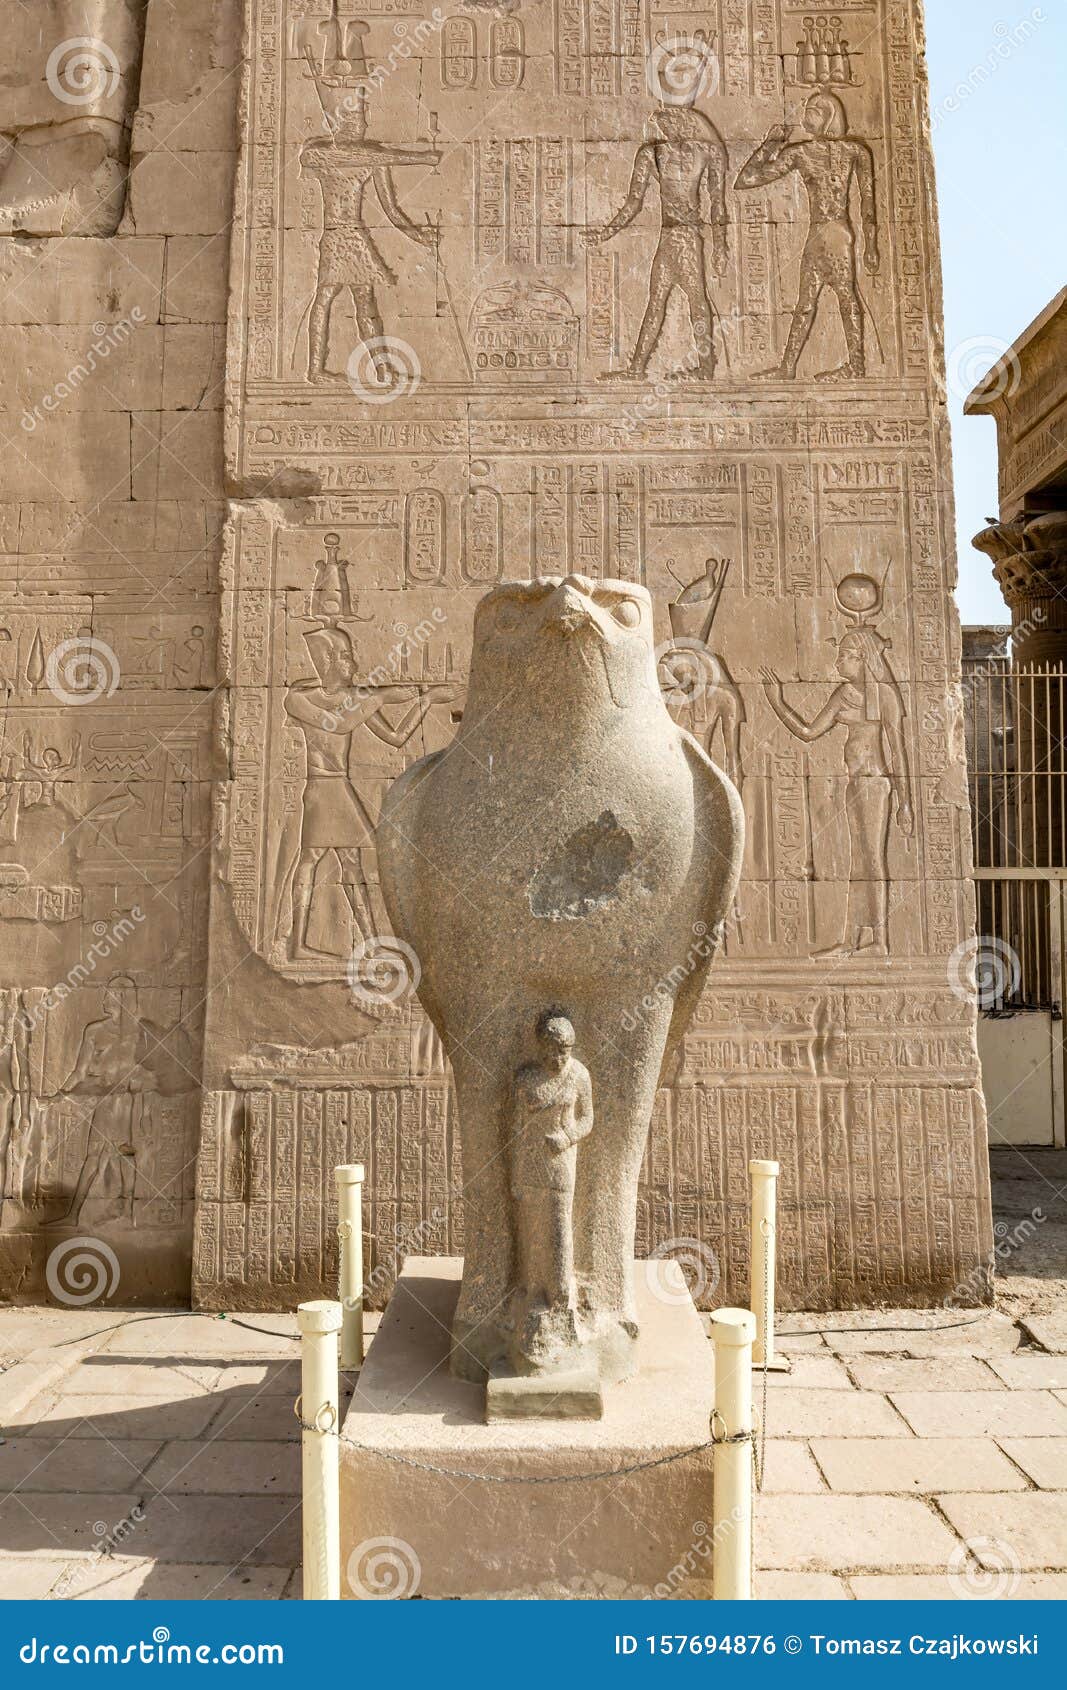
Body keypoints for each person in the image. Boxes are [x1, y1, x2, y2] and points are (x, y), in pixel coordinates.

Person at [761, 624, 912, 956]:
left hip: (875, 784)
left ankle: (880, 940)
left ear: (864, 659)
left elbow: (898, 751)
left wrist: (905, 802)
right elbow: (808, 731)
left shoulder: (884, 695)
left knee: (872, 860)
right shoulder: (844, 694)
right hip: (854, 784)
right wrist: (777, 701)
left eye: (845, 656)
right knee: (856, 862)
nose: (838, 663)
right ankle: (852, 939)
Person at [285, 625, 431, 958]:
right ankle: (298, 945)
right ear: (327, 661)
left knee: (346, 862)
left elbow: (396, 738)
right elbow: (338, 724)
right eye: (347, 656)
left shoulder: (355, 700)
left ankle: (367, 944)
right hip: (324, 789)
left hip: (338, 786)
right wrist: (377, 696)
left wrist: (425, 700)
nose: (354, 663)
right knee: (313, 859)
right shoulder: (299, 698)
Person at [734, 91, 878, 381]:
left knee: (845, 297)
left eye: (813, 111)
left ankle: (856, 365)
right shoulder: (801, 152)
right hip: (822, 234)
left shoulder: (852, 152)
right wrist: (771, 144)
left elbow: (868, 202)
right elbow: (745, 181)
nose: (805, 116)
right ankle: (788, 368)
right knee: (806, 303)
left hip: (835, 233)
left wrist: (871, 245)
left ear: (828, 118)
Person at [301, 89, 440, 385]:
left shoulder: (366, 158)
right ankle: (315, 370)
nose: (361, 126)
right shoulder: (329, 155)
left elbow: (391, 210)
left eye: (362, 120)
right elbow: (311, 155)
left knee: (364, 302)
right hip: (338, 236)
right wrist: (424, 158)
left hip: (355, 236)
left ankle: (383, 369)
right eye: (353, 120)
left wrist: (417, 235)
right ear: (338, 125)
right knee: (326, 296)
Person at [586, 106, 729, 380]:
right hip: (676, 240)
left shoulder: (698, 152)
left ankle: (703, 368)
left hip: (683, 240)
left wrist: (720, 247)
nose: (664, 127)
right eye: (663, 121)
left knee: (692, 303)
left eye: (669, 120)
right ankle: (638, 368)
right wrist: (604, 234)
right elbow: (633, 203)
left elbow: (717, 206)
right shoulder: (653, 154)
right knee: (661, 303)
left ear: (682, 122)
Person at [509, 1014, 593, 1369]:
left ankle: (560, 1296)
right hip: (529, 1162)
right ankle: (531, 1291)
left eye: (565, 1051)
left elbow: (587, 1119)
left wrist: (568, 1136)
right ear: (541, 1047)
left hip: (560, 1162)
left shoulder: (579, 1075)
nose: (558, 1058)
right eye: (553, 1051)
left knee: (559, 1229)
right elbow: (514, 1127)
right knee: (532, 1231)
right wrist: (514, 1171)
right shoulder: (526, 1078)